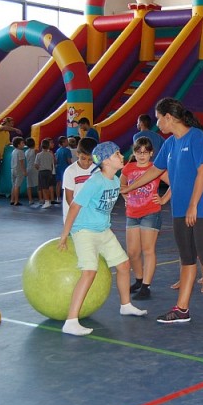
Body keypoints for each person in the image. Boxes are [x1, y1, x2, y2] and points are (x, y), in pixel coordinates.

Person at [121, 97, 203, 327]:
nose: (158, 124)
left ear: (169, 117)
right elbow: (154, 171)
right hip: (180, 210)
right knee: (187, 259)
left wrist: (193, 205)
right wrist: (128, 186)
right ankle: (182, 308)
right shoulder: (169, 144)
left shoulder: (196, 137)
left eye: (159, 119)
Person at [58, 141, 147, 336]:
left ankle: (125, 305)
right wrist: (65, 235)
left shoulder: (115, 180)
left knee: (123, 265)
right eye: (117, 154)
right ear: (106, 161)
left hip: (103, 231)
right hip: (84, 231)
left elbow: (118, 198)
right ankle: (71, 321)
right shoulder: (94, 181)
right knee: (89, 271)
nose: (122, 156)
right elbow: (74, 206)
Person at [122, 137, 171, 301]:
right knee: (133, 252)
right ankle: (139, 280)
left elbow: (174, 183)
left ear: (151, 153)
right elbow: (122, 186)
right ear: (134, 152)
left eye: (145, 152)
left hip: (150, 212)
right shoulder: (128, 168)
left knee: (148, 250)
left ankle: (146, 286)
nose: (142, 155)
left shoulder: (155, 168)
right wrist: (125, 197)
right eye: (138, 152)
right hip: (132, 214)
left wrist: (164, 199)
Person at [62, 137, 98, 223]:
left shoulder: (97, 171)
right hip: (73, 216)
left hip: (90, 215)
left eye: (90, 159)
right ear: (77, 154)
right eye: (83, 158)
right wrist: (79, 213)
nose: (86, 162)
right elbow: (69, 197)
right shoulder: (70, 171)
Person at [35, 138, 55, 209]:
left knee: (43, 187)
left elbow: (36, 165)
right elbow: (52, 164)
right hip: (49, 171)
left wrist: (39, 168)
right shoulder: (50, 154)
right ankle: (48, 200)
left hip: (42, 172)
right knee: (48, 186)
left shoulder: (39, 155)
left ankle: (47, 201)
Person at [54, 136, 72, 203]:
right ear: (63, 142)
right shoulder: (67, 150)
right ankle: (65, 197)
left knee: (58, 183)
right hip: (65, 168)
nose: (68, 142)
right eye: (67, 141)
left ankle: (58, 197)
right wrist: (71, 166)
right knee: (65, 184)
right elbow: (69, 160)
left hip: (58, 168)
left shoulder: (58, 150)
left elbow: (56, 160)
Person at [10, 136, 26, 206]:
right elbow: (22, 162)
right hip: (19, 170)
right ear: (18, 145)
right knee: (17, 186)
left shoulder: (14, 151)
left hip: (13, 169)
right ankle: (16, 201)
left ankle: (12, 200)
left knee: (14, 185)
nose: (23, 144)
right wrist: (24, 171)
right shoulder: (21, 152)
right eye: (22, 143)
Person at [24, 137, 39, 206]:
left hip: (28, 168)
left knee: (29, 185)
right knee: (38, 184)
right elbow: (37, 159)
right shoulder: (35, 151)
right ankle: (41, 198)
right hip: (35, 168)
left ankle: (30, 199)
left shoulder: (26, 152)